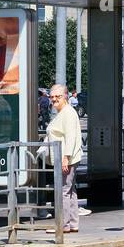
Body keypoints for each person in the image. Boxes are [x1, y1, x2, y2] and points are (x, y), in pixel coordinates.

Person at [47, 83, 83, 233]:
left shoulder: (67, 113)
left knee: (63, 191)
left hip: (66, 157)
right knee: (70, 190)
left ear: (65, 96)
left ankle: (63, 224)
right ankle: (73, 223)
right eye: (52, 96)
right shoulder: (65, 112)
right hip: (68, 157)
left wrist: (66, 158)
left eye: (57, 96)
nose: (54, 99)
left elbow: (71, 136)